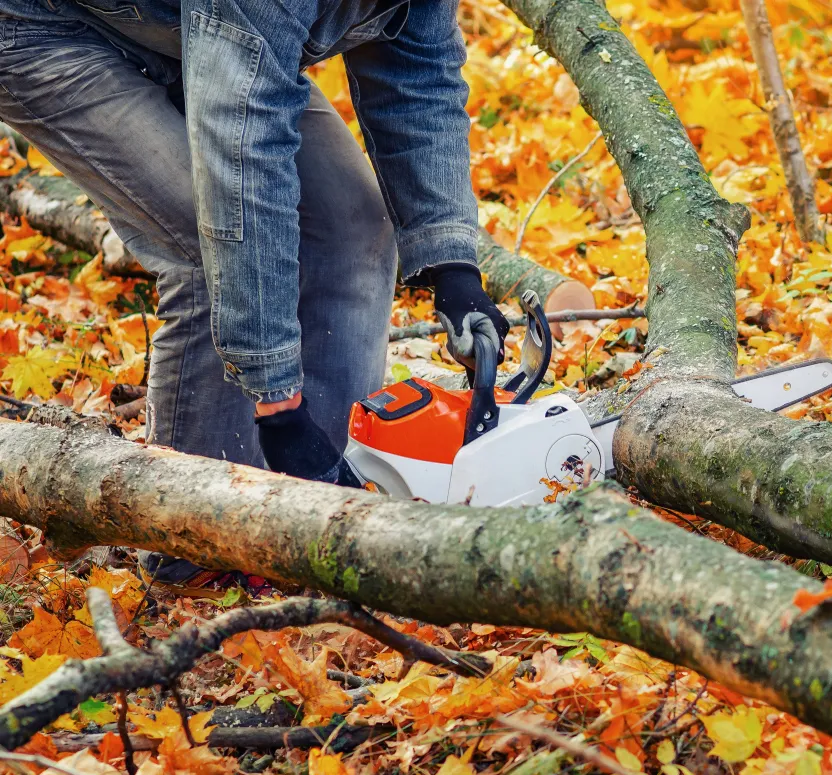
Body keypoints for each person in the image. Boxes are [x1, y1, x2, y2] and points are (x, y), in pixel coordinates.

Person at [0, 0, 509, 591]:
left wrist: (453, 269)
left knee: (353, 222)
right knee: (205, 241)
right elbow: (242, 158)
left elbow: (419, 80)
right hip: (46, 25)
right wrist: (279, 405)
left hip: (202, 30)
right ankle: (193, 550)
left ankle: (329, 519)